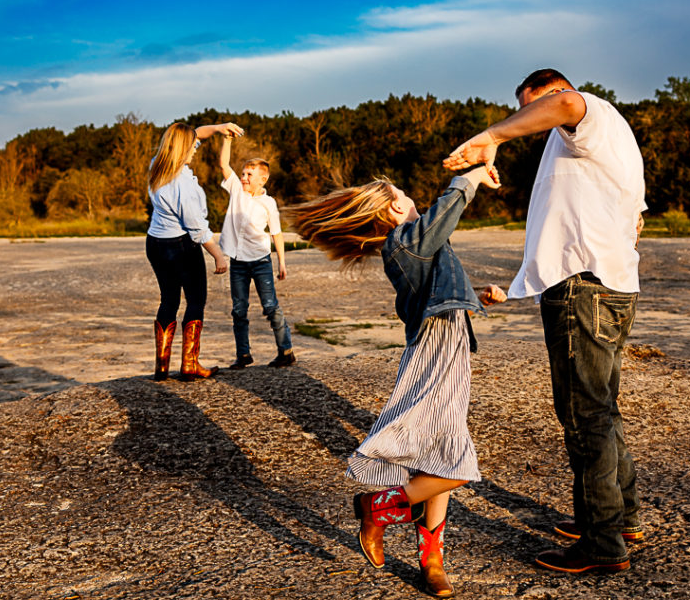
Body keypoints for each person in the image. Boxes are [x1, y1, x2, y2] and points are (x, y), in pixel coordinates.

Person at [444, 68, 646, 574]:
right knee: (602, 408)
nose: (532, 120)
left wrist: (491, 136)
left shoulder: (587, 113)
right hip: (606, 284)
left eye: (531, 107)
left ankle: (602, 544)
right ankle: (618, 518)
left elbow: (567, 105)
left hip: (585, 290)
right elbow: (629, 221)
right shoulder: (604, 144)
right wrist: (519, 286)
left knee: (586, 417)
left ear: (555, 92)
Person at [286, 165, 502, 598]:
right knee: (457, 467)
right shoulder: (405, 242)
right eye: (401, 192)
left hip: (449, 346)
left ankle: (432, 559)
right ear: (392, 210)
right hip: (435, 351)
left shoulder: (414, 246)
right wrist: (472, 175)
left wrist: (475, 294)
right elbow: (446, 212)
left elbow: (434, 291)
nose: (409, 195)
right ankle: (377, 506)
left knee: (438, 454)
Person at [146, 121, 242, 381]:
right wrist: (218, 255)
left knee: (168, 300)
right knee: (196, 300)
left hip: (155, 243)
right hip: (180, 246)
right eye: (192, 147)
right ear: (182, 148)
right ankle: (189, 365)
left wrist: (221, 128)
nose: (195, 150)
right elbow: (197, 228)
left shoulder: (159, 164)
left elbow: (197, 133)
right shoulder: (182, 184)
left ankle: (162, 368)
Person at [217, 134, 295, 369]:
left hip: (261, 261)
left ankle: (286, 351)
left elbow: (277, 233)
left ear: (263, 178)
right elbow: (223, 164)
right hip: (238, 261)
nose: (243, 177)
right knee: (239, 310)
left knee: (270, 306)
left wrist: (281, 262)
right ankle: (243, 355)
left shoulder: (268, 203)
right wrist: (227, 140)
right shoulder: (236, 191)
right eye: (242, 173)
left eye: (249, 175)